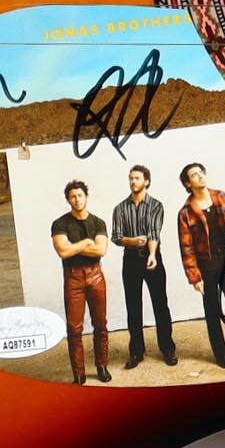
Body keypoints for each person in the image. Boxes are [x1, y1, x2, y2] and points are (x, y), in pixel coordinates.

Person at [175, 162, 225, 369]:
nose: (200, 176)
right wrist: (195, 277)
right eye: (194, 175)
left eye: (201, 172)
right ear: (188, 183)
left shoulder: (221, 196)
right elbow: (186, 248)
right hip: (207, 264)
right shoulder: (185, 213)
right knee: (213, 310)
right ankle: (221, 354)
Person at [110, 164, 178, 369]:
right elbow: (116, 237)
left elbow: (154, 232)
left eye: (137, 178)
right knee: (133, 306)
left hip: (152, 257)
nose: (133, 181)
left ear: (146, 181)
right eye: (131, 178)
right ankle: (136, 352)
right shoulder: (120, 208)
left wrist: (152, 254)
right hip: (130, 260)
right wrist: (132, 241)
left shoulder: (156, 205)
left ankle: (167, 349)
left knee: (160, 304)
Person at [50, 179, 112, 384]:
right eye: (73, 197)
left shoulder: (98, 223)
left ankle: (102, 366)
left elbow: (101, 249)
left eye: (80, 195)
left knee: (100, 324)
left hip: (96, 275)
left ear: (86, 197)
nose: (77, 200)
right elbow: (63, 251)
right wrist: (86, 242)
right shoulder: (60, 224)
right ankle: (79, 373)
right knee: (74, 328)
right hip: (73, 277)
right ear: (68, 200)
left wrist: (74, 247)